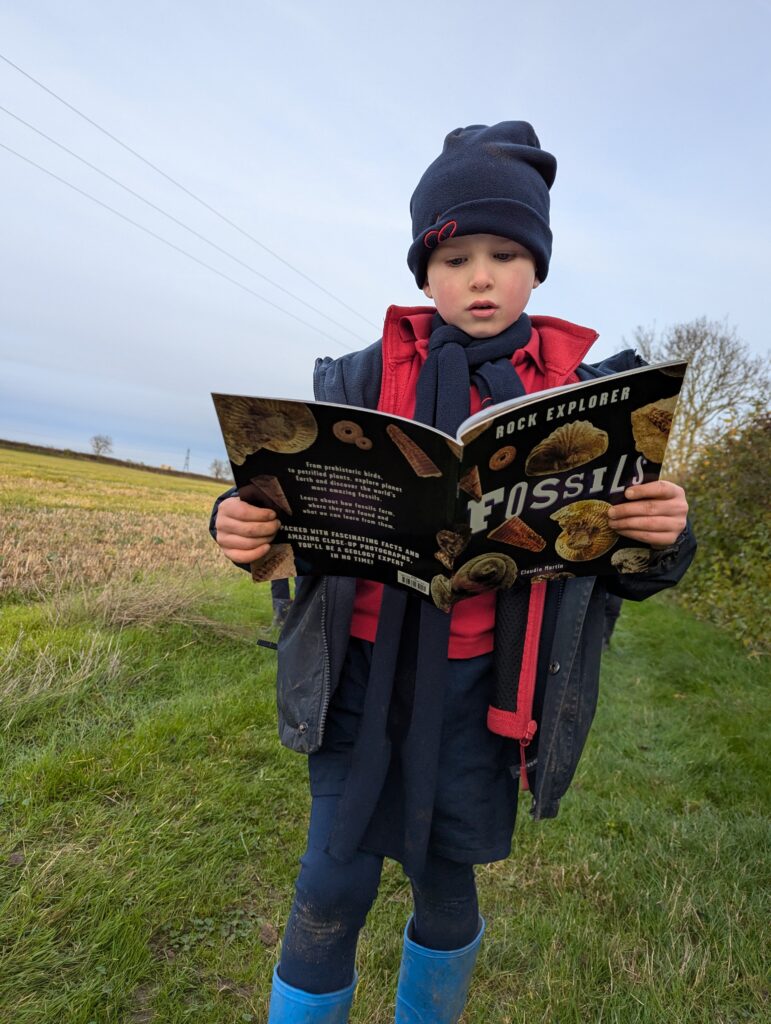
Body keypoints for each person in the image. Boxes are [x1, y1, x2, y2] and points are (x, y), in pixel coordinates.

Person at [210, 122, 695, 1024]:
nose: (480, 276)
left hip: (484, 695)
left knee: (445, 888)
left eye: (505, 253)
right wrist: (237, 522)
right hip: (356, 681)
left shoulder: (588, 398)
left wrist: (664, 532)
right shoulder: (357, 379)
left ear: (537, 267)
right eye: (455, 254)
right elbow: (282, 502)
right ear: (422, 270)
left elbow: (628, 567)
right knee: (328, 885)